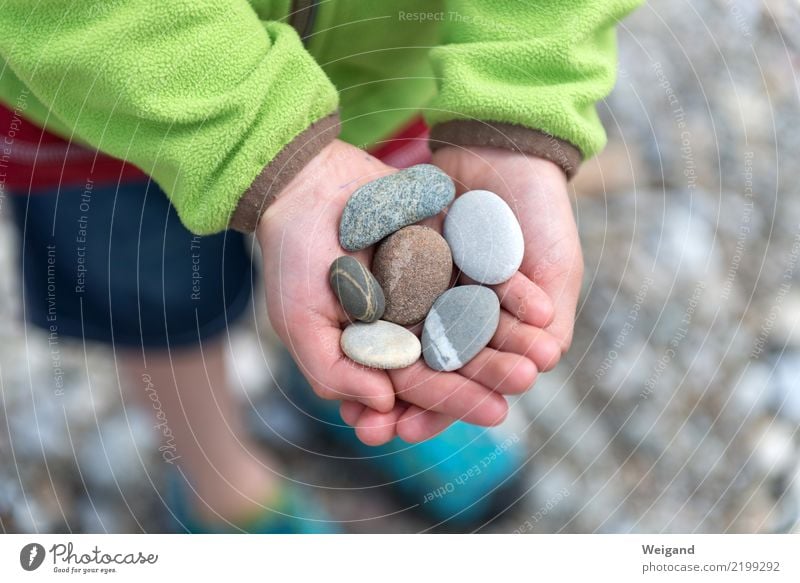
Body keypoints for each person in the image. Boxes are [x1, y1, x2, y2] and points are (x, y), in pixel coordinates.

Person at [0, 0, 640, 532]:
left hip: (379, 73)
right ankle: (220, 485)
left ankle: (349, 372)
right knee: (158, 306)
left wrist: (515, 98)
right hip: (107, 103)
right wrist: (265, 141)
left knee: (341, 257)